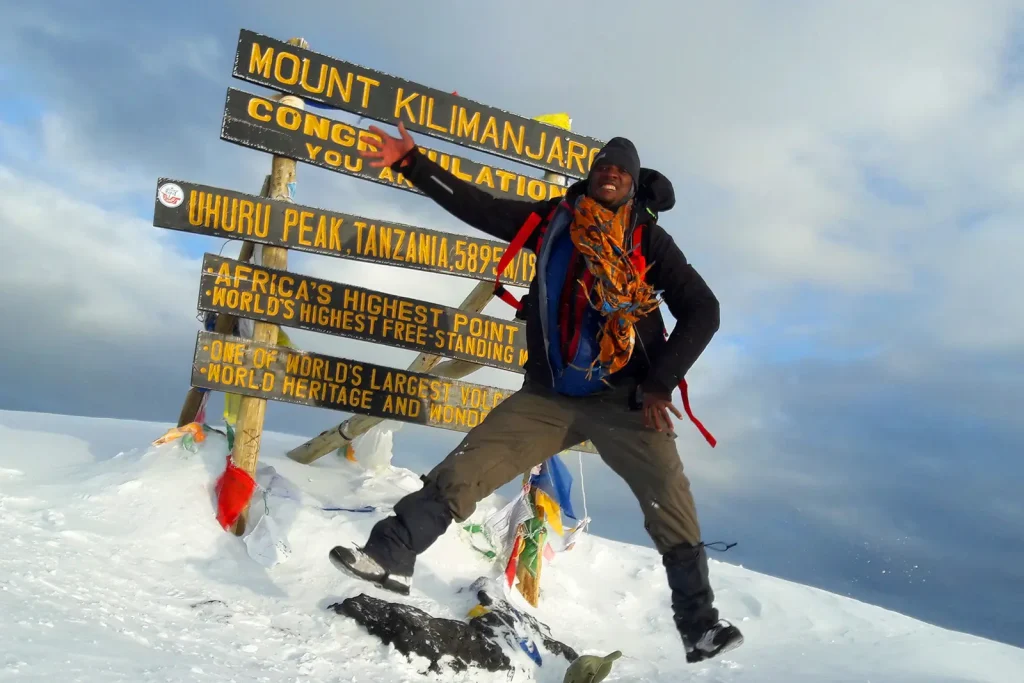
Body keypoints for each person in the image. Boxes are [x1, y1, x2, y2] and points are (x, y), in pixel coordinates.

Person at [329, 122, 744, 663]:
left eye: (623, 169)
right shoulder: (554, 220)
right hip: (549, 396)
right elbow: (479, 207)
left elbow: (703, 310)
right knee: (467, 467)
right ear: (590, 176)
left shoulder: (648, 240)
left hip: (624, 401)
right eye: (603, 165)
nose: (611, 172)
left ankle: (699, 627)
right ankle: (390, 557)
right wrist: (413, 163)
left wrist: (659, 382)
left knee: (671, 498)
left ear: (635, 184)